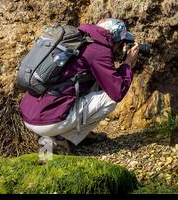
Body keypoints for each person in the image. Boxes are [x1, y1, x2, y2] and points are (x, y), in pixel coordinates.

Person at [19, 17, 142, 153]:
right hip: (46, 121)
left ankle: (71, 135)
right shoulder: (98, 50)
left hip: (29, 113)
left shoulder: (79, 39)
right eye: (121, 44)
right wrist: (128, 64)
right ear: (115, 40)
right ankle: (60, 138)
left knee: (95, 83)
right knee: (109, 100)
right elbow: (117, 92)